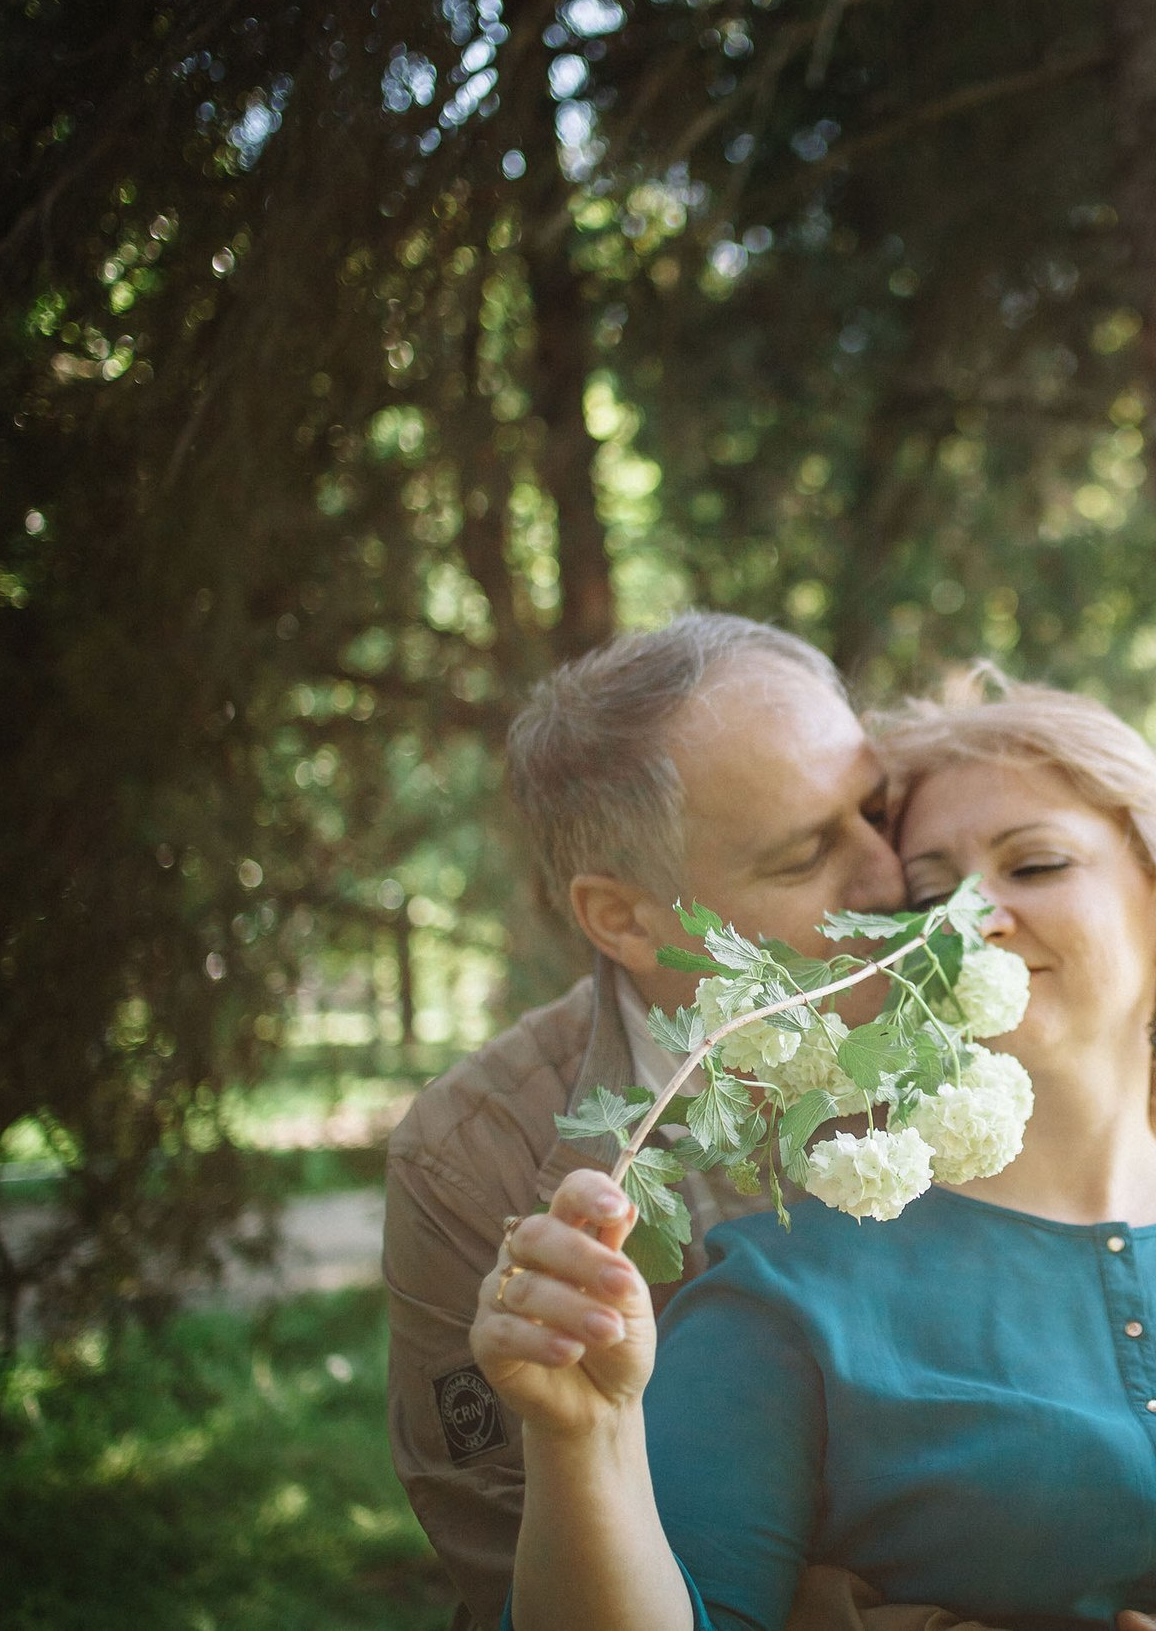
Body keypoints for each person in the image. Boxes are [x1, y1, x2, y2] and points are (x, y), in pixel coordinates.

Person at [471, 676, 1156, 1631]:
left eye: (1033, 863)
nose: (968, 920)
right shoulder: (783, 1297)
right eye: (931, 892)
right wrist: (585, 1444)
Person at [385, 613, 906, 1630]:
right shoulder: (469, 1161)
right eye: (804, 857)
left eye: (879, 808)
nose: (891, 877)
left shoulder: (985, 1038)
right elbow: (515, 1567)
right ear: (621, 917)